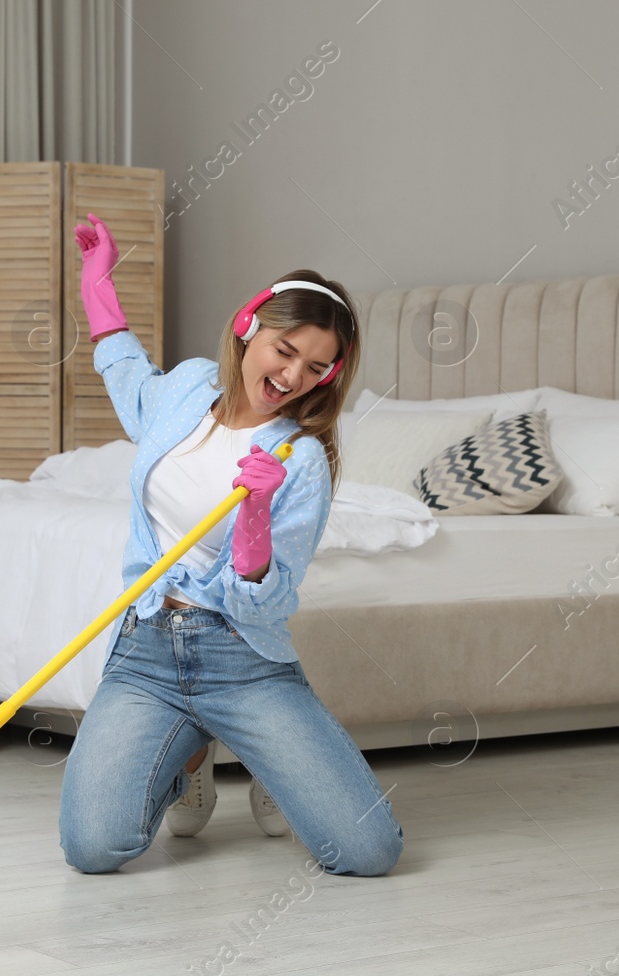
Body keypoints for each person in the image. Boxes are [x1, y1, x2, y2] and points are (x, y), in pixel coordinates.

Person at [57, 212, 403, 877]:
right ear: (250, 324)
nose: (293, 374)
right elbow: (128, 373)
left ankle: (267, 752)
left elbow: (266, 590)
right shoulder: (188, 388)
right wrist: (97, 280)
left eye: (316, 367)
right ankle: (190, 755)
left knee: (369, 851)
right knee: (92, 846)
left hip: (242, 659)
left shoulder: (301, 461)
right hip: (147, 651)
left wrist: (257, 514)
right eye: (285, 349)